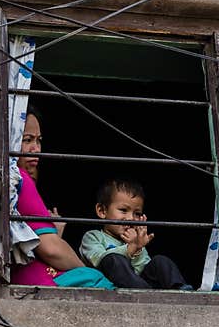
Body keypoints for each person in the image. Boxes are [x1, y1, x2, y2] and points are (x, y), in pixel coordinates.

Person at [10, 107, 114, 289]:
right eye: (27, 140)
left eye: (39, 141)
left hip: (29, 283)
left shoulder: (3, 182)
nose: (36, 149)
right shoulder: (18, 178)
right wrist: (85, 271)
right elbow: (51, 250)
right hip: (42, 283)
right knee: (100, 283)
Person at [79, 178, 193, 290]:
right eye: (123, 210)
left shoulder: (136, 241)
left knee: (159, 261)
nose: (130, 218)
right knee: (113, 259)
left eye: (137, 213)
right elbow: (99, 261)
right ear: (102, 211)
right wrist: (131, 248)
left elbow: (141, 270)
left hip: (140, 285)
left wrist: (138, 248)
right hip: (109, 285)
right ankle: (145, 293)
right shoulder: (93, 237)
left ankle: (179, 290)